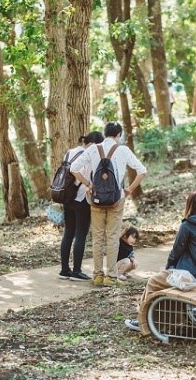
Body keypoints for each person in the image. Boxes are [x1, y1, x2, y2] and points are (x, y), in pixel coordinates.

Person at [124, 192, 196, 332]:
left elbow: (176, 252)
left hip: (189, 275)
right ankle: (174, 323)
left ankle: (143, 322)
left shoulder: (188, 225)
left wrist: (167, 268)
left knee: (154, 281)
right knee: (168, 281)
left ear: (190, 206)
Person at [70, 122, 147, 287]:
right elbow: (142, 171)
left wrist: (88, 185)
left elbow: (73, 168)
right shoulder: (123, 150)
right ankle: (111, 277)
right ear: (118, 134)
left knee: (97, 237)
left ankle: (97, 275)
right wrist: (129, 190)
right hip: (116, 200)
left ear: (105, 134)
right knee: (112, 238)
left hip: (96, 199)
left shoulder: (92, 149)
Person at [58, 131, 105, 282]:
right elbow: (84, 174)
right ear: (95, 143)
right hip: (81, 199)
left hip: (66, 197)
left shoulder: (70, 152)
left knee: (68, 233)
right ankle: (77, 271)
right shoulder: (90, 155)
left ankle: (65, 270)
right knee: (81, 235)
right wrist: (88, 184)